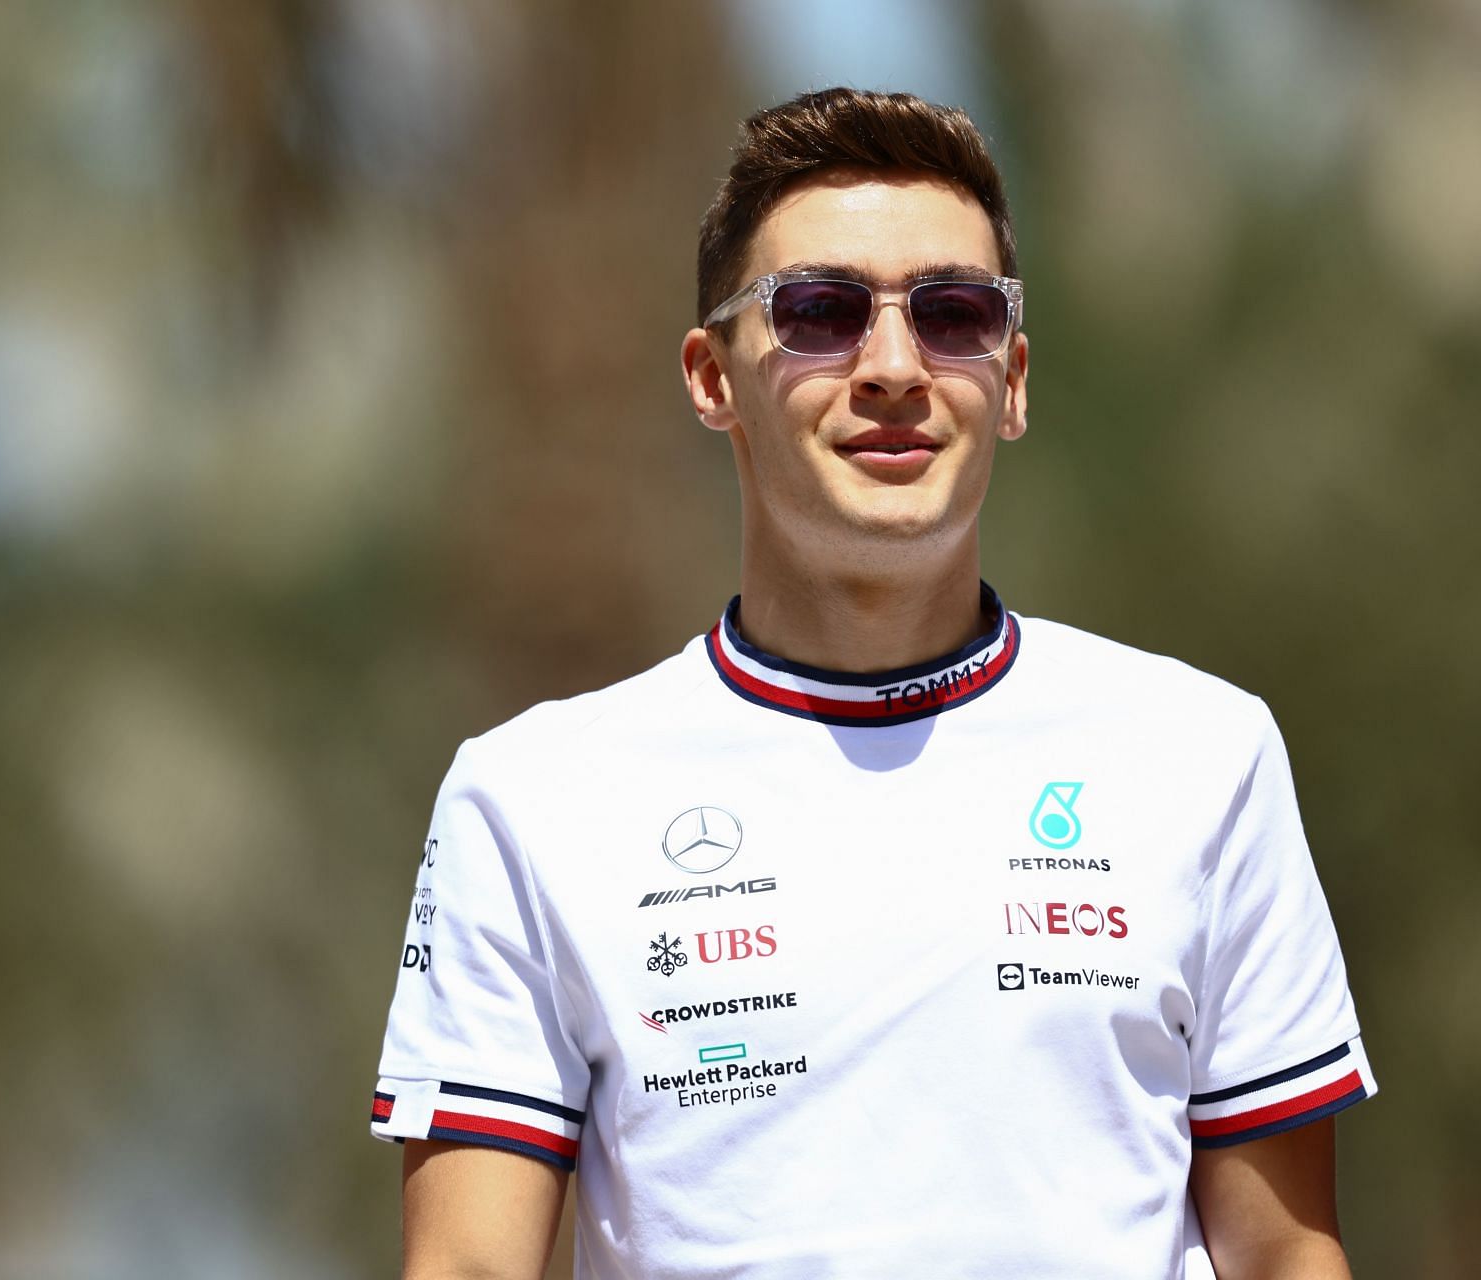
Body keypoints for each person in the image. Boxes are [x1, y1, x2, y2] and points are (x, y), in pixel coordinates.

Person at [370, 86, 1376, 1279]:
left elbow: (1286, 1251)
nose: (894, 366)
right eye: (821, 310)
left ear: (1009, 379)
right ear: (710, 376)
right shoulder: (529, 796)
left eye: (954, 313)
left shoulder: (1206, 752)